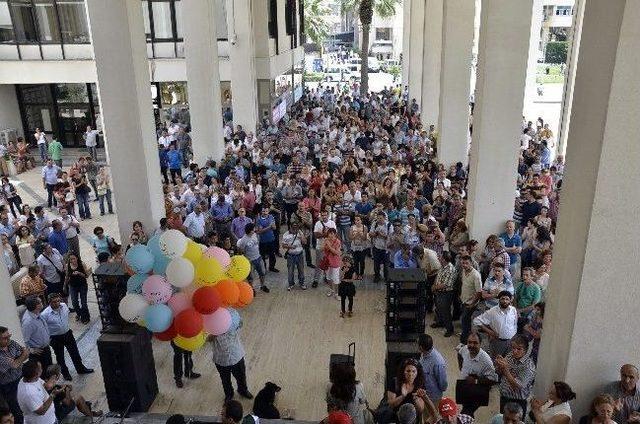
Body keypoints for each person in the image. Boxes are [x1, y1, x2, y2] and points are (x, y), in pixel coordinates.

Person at [40, 293, 93, 381]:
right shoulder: (45, 314)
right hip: (55, 338)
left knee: (75, 353)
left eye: (58, 301)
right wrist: (49, 339)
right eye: (54, 302)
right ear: (49, 303)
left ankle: (80, 369)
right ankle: (65, 373)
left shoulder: (64, 306)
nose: (57, 303)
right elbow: (42, 328)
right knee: (60, 357)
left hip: (68, 334)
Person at [209, 317, 253, 402]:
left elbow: (240, 323)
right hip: (221, 359)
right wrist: (215, 333)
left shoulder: (230, 319)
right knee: (225, 379)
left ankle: (243, 390)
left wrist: (231, 323)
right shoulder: (209, 323)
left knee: (241, 376)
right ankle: (229, 394)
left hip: (237, 355)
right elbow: (205, 339)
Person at [456, 331, 498, 417]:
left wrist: (476, 380)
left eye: (475, 343)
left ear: (480, 344)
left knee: (466, 412)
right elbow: (459, 354)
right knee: (466, 408)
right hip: (465, 386)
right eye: (469, 342)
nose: (471, 345)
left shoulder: (486, 360)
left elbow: (494, 380)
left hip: (477, 389)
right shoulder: (465, 349)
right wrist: (461, 366)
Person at [495, 335, 536, 416]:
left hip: (518, 401)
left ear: (526, 350)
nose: (515, 351)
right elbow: (501, 372)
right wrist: (499, 366)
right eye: (513, 348)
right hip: (504, 396)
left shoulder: (528, 366)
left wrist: (506, 370)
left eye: (519, 349)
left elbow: (517, 386)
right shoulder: (510, 356)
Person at [473, 291, 518, 360]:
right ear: (499, 300)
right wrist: (490, 332)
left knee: (508, 361)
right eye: (502, 299)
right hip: (497, 342)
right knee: (496, 361)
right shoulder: (492, 311)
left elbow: (515, 324)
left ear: (510, 301)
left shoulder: (513, 310)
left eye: (507, 299)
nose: (505, 301)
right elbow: (476, 320)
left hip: (511, 342)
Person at [0, 326, 30, 424]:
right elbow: (15, 363)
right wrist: (19, 358)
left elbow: (26, 353)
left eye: (9, 336)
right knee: (17, 411)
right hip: (9, 386)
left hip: (21, 378)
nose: (9, 339)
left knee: (27, 403)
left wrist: (17, 360)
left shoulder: (11, 343)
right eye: (5, 338)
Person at [16, 360, 59, 424]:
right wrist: (52, 395)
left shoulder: (29, 378)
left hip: (51, 418)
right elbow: (41, 411)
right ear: (36, 374)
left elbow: (44, 386)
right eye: (41, 368)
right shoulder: (29, 393)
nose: (42, 369)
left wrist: (50, 382)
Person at [20, 297, 52, 371]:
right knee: (43, 372)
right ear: (36, 306)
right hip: (38, 354)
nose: (42, 302)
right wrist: (31, 350)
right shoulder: (28, 322)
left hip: (45, 348)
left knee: (49, 369)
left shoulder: (36, 313)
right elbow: (24, 340)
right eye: (40, 302)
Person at [236, 223, 269, 293]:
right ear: (250, 230)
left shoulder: (254, 235)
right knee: (250, 277)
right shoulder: (243, 240)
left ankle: (262, 286)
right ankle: (251, 289)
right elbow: (241, 251)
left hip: (258, 258)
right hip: (250, 261)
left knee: (262, 273)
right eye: (254, 229)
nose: (255, 229)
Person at [417, 334, 447, 405]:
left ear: (421, 347)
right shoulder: (424, 354)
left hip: (433, 399)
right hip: (424, 394)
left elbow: (443, 384)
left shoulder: (438, 362)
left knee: (431, 416)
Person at [459, 255, 482, 344]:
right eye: (463, 263)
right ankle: (467, 337)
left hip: (470, 303)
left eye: (466, 263)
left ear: (471, 263)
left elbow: (479, 292)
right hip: (463, 300)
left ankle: (464, 341)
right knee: (465, 321)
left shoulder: (476, 275)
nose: (464, 265)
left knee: (465, 322)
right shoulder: (463, 271)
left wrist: (472, 304)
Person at [432, 251, 456, 337]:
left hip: (446, 293)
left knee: (446, 311)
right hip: (439, 292)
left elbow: (446, 284)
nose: (439, 258)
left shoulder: (450, 269)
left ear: (445, 259)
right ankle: (440, 322)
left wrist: (435, 287)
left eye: (440, 257)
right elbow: (438, 277)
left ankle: (450, 329)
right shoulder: (443, 266)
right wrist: (434, 285)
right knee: (438, 308)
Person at [313, 210, 337, 288]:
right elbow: (316, 235)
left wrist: (323, 234)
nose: (324, 217)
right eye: (322, 215)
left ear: (328, 215)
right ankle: (316, 280)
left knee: (328, 263)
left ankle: (326, 277)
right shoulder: (318, 223)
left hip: (329, 247)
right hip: (320, 247)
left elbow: (334, 234)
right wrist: (326, 234)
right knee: (318, 264)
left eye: (325, 215)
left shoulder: (332, 223)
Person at [282, 221, 306, 290]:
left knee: (301, 270)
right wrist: (289, 247)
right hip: (290, 256)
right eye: (293, 226)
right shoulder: (286, 234)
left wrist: (301, 236)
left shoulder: (300, 233)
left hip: (299, 255)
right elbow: (283, 245)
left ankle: (302, 283)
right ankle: (291, 284)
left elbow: (305, 242)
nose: (295, 228)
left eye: (296, 226)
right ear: (290, 227)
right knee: (290, 271)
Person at [255, 208, 278, 273]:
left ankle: (272, 267)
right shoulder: (259, 220)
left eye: (266, 211)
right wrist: (269, 227)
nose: (265, 212)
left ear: (268, 211)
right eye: (263, 211)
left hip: (271, 239)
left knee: (272, 255)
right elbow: (259, 231)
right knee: (262, 256)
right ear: (261, 212)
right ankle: (263, 269)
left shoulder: (271, 217)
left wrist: (271, 227)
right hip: (263, 241)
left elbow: (274, 227)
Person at [323, 228, 342, 298]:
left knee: (336, 279)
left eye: (332, 234)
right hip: (327, 262)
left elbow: (336, 252)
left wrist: (329, 246)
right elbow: (323, 249)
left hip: (335, 263)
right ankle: (331, 290)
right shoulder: (326, 240)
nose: (331, 235)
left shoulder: (338, 241)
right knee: (328, 278)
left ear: (335, 234)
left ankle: (337, 293)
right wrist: (327, 245)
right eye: (329, 234)